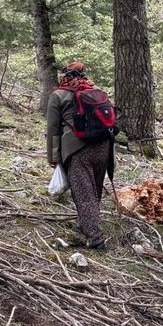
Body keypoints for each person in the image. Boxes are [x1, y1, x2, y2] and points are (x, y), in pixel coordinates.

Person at [46, 61, 115, 250]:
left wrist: (53, 157)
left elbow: (52, 130)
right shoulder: (96, 92)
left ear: (65, 75)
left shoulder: (58, 95)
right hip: (103, 147)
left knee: (83, 194)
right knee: (94, 191)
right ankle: (86, 225)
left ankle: (96, 239)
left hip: (77, 149)